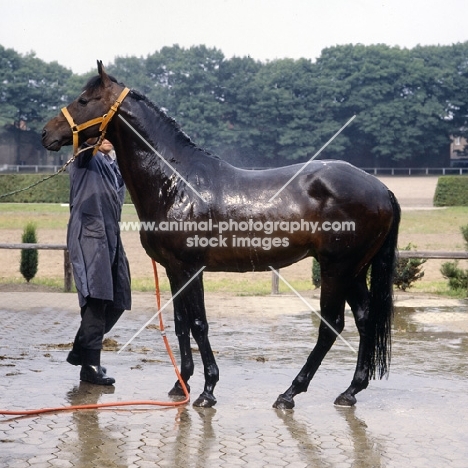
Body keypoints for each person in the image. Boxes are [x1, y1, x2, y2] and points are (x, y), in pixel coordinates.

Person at [66, 138, 131, 385]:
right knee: (97, 298)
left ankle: (81, 351)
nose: (105, 139)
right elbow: (82, 145)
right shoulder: (85, 159)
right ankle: (90, 365)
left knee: (120, 298)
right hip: (89, 237)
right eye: (99, 135)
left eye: (108, 134)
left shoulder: (115, 165)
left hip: (112, 237)